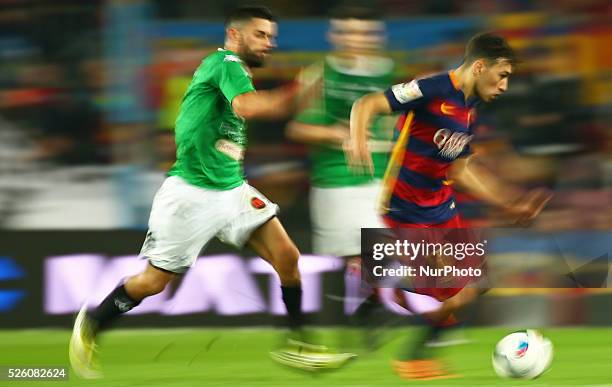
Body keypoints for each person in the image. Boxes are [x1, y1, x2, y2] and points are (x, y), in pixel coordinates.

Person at [69, 5, 353, 378]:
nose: (270, 43)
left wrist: (293, 99)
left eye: (272, 37)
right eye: (261, 35)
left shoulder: (238, 72)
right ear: (235, 35)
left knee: (287, 257)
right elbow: (248, 107)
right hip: (190, 193)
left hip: (232, 189)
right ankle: (94, 319)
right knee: (153, 282)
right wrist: (295, 92)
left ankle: (299, 345)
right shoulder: (225, 64)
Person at [347, 32, 551, 379]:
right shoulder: (431, 89)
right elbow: (366, 104)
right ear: (480, 66)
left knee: (478, 283)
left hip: (442, 206)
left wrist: (510, 204)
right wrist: (357, 140)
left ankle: (385, 285)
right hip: (406, 207)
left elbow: (460, 169)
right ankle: (411, 354)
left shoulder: (469, 110)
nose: (504, 85)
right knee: (456, 295)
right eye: (502, 76)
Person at [284, 5, 395, 341]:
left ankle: (366, 305)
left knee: (384, 253)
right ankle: (362, 306)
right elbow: (296, 128)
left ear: (377, 37)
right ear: (333, 36)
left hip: (380, 179)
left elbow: (396, 126)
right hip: (335, 180)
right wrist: (336, 134)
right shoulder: (317, 75)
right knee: (362, 254)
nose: (354, 39)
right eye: (346, 32)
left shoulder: (390, 75)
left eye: (362, 33)